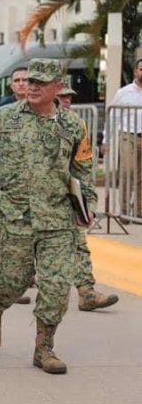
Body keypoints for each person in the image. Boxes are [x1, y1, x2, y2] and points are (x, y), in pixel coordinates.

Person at [0, 59, 96, 375]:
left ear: (58, 87)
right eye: (30, 82)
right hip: (14, 215)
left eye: (41, 83)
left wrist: (87, 205)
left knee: (55, 286)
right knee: (10, 283)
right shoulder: (5, 117)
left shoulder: (73, 125)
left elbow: (83, 171)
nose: (32, 87)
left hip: (57, 219)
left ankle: (44, 348)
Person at [56, 80, 118, 311]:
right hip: (30, 199)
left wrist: (88, 202)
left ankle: (86, 292)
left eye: (69, 97)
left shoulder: (75, 125)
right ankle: (12, 288)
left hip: (66, 194)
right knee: (23, 252)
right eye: (62, 97)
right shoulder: (25, 121)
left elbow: (84, 166)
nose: (67, 101)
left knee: (77, 241)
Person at [109, 58, 142, 219]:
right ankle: (123, 211)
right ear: (135, 72)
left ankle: (138, 212)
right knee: (128, 173)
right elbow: (113, 117)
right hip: (129, 136)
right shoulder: (123, 93)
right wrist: (106, 141)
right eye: (141, 69)